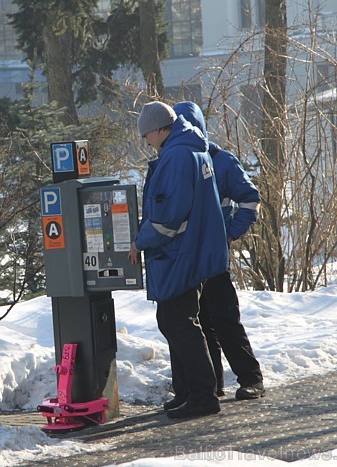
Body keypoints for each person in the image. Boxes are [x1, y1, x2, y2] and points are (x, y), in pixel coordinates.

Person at [128, 101, 229, 419]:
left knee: (179, 322)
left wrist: (139, 242)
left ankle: (202, 396)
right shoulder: (192, 150)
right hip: (193, 249)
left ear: (159, 129)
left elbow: (168, 217)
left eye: (146, 134)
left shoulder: (176, 157)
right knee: (179, 321)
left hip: (179, 254)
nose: (145, 141)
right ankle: (189, 392)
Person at [172, 101, 265, 401]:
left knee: (224, 320)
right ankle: (208, 387)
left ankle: (252, 379)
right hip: (186, 260)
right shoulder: (173, 162)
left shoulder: (222, 161)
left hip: (212, 258)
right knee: (195, 324)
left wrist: (229, 233)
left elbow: (250, 199)